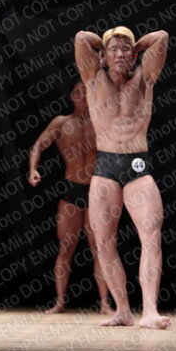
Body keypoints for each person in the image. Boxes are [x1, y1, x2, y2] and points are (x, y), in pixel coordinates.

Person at [74, 26, 171, 329]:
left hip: (137, 166)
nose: (120, 54)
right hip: (105, 167)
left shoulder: (144, 77)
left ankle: (150, 311)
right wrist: (108, 45)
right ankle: (122, 311)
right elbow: (81, 38)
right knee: (103, 243)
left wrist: (135, 46)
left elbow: (162, 37)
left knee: (151, 237)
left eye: (125, 49)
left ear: (134, 55)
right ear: (102, 56)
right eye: (113, 50)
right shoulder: (93, 77)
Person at [28, 81, 111, 315]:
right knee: (66, 247)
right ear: (71, 96)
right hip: (71, 189)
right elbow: (38, 145)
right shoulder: (62, 123)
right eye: (76, 91)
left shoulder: (102, 121)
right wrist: (33, 169)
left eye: (85, 92)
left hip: (96, 189)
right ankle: (60, 301)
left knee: (100, 248)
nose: (81, 95)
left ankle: (105, 303)